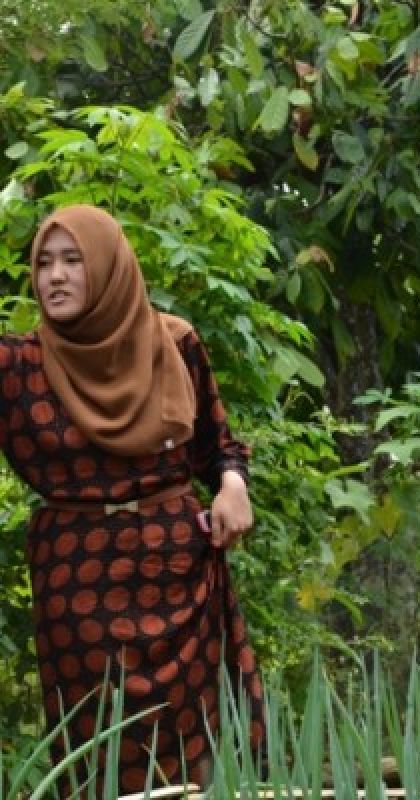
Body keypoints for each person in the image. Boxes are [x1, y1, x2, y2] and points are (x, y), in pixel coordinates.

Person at [8, 205, 265, 794]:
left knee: (196, 745)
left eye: (73, 260)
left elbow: (218, 447)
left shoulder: (173, 343)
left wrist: (233, 484)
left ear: (109, 267)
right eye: (45, 263)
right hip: (78, 590)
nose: (56, 276)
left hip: (179, 574)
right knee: (101, 751)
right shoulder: (18, 367)